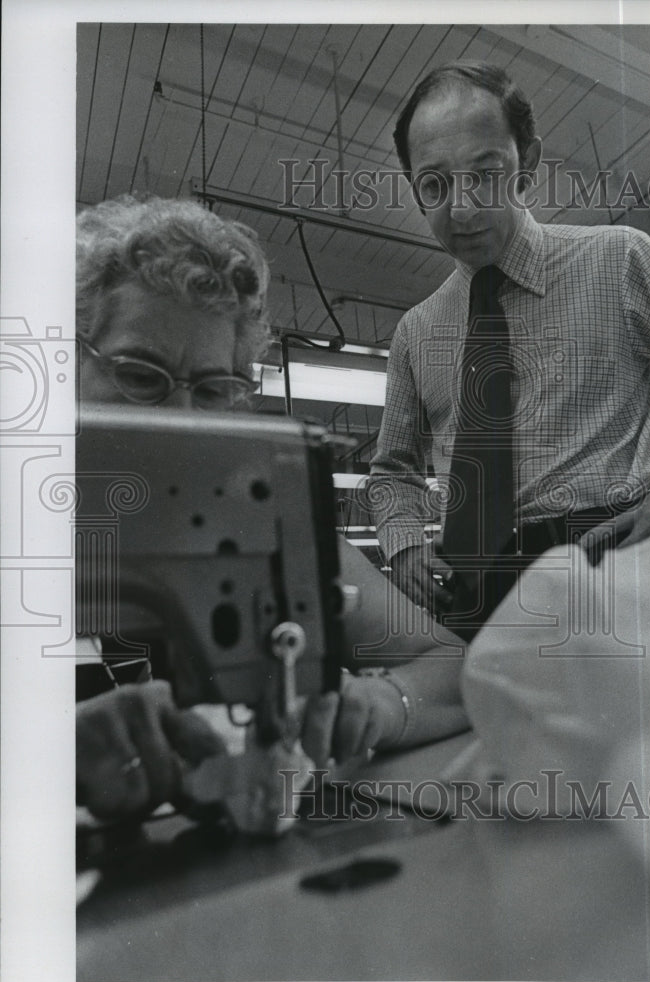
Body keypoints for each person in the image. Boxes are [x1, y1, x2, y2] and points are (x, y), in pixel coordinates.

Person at [75, 194, 466, 822]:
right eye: (140, 375)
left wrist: (385, 704)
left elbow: (449, 663)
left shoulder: (274, 529)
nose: (181, 422)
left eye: (212, 390)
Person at [369, 61, 650, 628]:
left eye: (486, 172)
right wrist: (404, 541)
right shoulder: (417, 330)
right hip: (470, 593)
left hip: (610, 565)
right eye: (433, 184)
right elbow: (393, 468)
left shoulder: (618, 260)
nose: (461, 210)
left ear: (527, 162)